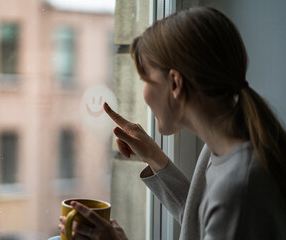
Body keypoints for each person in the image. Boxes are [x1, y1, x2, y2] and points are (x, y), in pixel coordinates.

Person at [58, 6, 286, 240]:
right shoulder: (221, 146)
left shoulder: (240, 188)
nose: (144, 94)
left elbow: (223, 210)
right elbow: (201, 221)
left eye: (146, 80)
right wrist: (155, 159)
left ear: (175, 83)